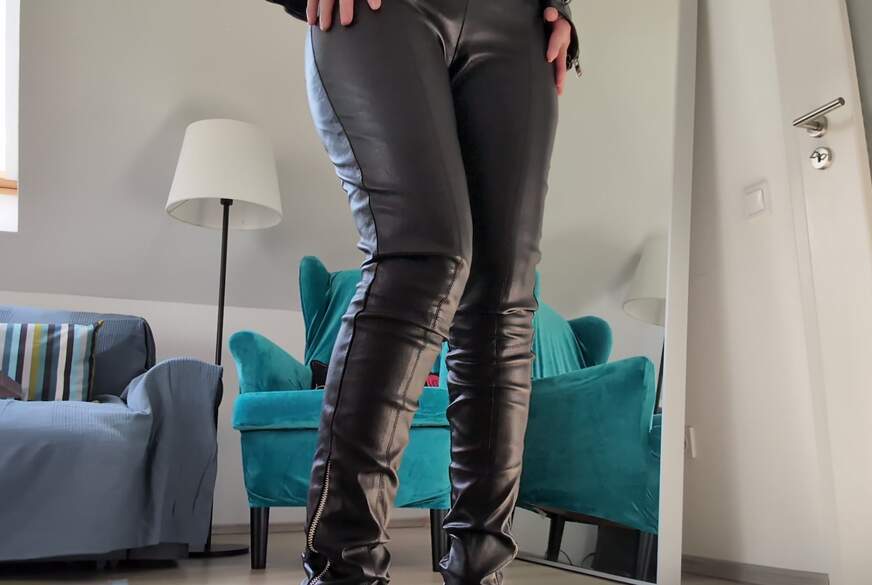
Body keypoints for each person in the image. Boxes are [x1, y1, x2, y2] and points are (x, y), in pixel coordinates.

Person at [265, 0, 580, 583]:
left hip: (519, 22)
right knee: (425, 259)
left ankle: (479, 569)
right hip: (384, 11)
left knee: (506, 296)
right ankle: (343, 569)